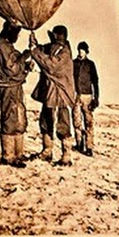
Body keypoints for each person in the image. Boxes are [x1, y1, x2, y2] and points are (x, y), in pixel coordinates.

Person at [29, 25, 77, 166]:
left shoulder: (64, 53)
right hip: (50, 93)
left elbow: (50, 65)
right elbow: (43, 51)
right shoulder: (55, 48)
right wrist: (35, 44)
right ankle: (47, 151)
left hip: (61, 94)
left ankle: (66, 156)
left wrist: (35, 51)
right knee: (45, 121)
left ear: (57, 36)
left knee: (63, 124)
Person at [0, 21, 32, 167]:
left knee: (18, 116)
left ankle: (18, 153)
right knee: (10, 117)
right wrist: (24, 57)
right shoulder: (2, 44)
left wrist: (25, 65)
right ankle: (8, 156)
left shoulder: (5, 43)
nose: (17, 37)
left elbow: (14, 62)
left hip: (13, 85)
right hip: (7, 86)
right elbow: (11, 67)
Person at [72, 41, 100, 156]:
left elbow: (95, 81)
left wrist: (96, 98)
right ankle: (79, 143)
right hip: (75, 96)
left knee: (89, 122)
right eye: (79, 50)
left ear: (86, 51)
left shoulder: (90, 64)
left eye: (82, 50)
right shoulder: (73, 63)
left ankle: (89, 147)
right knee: (76, 122)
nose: (80, 52)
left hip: (87, 96)